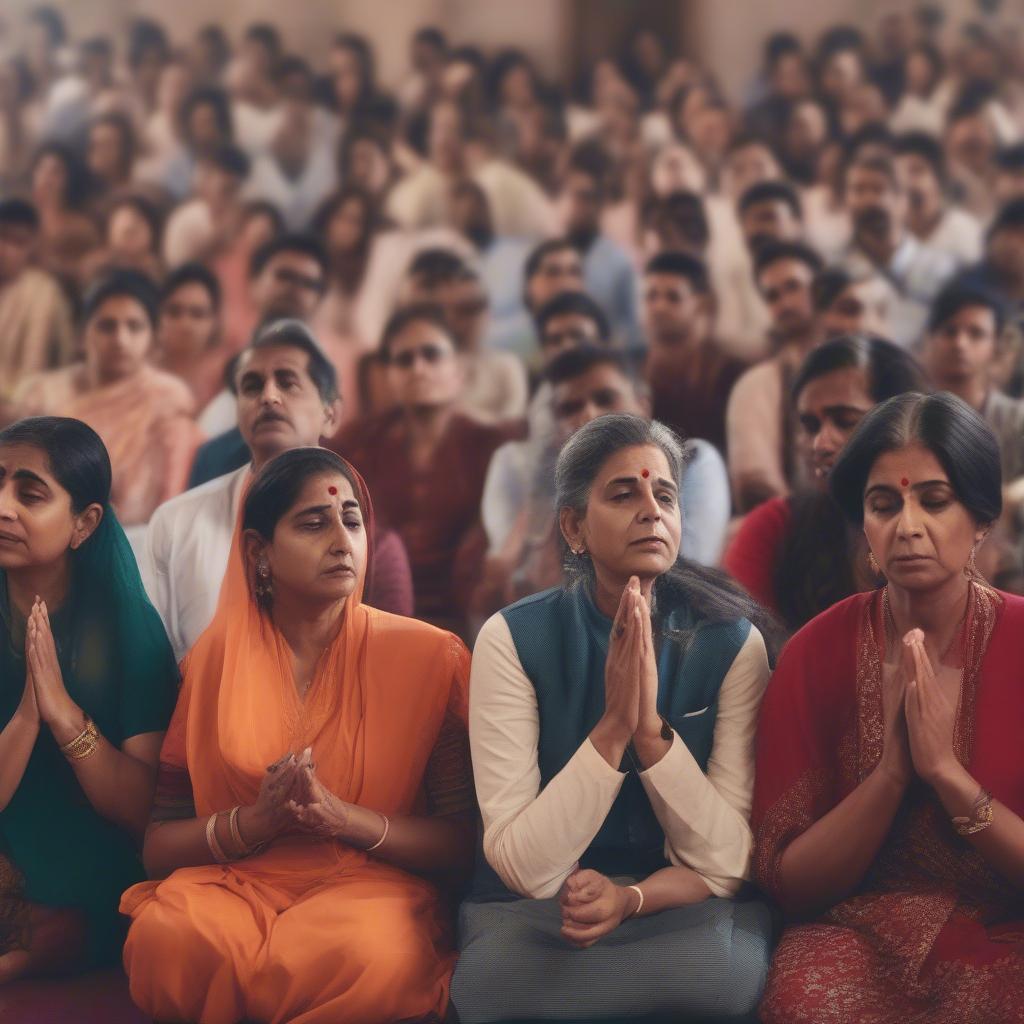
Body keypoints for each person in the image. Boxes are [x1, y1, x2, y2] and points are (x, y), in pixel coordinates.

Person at [121, 447, 475, 1024]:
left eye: (353, 521)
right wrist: (253, 824)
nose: (342, 539)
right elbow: (158, 847)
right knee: (168, 938)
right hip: (235, 884)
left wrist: (342, 819)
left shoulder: (428, 657)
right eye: (314, 523)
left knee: (369, 954)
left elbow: (461, 846)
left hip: (366, 890)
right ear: (259, 553)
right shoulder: (214, 659)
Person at [451, 413, 776, 1023]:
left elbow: (732, 861)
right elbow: (520, 863)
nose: (651, 510)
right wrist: (612, 731)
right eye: (623, 493)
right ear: (573, 526)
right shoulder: (512, 639)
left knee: (721, 984)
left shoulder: (732, 644)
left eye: (665, 495)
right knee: (491, 988)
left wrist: (650, 734)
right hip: (543, 903)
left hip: (683, 903)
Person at [753, 391, 1024, 1022]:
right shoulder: (814, 654)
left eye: (934, 501)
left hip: (1009, 929)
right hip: (857, 936)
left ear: (981, 519)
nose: (908, 526)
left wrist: (948, 779)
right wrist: (892, 774)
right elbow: (788, 885)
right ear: (865, 528)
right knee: (803, 1005)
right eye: (884, 505)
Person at [0, 416, 177, 979]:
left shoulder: (129, 629)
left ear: (84, 522)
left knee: (118, 902)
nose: (3, 505)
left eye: (30, 494)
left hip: (90, 844)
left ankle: (49, 939)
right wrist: (29, 715)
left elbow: (140, 813)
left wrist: (62, 714)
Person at [142, 318, 413, 663]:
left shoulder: (373, 546)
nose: (268, 397)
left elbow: (391, 670)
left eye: (288, 383)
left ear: (331, 414)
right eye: (252, 387)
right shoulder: (177, 521)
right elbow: (152, 664)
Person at [724, 334, 929, 633]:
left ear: (905, 423)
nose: (820, 443)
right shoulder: (775, 527)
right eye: (810, 426)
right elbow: (741, 652)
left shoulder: (955, 525)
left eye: (845, 421)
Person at [339, 305, 514, 638]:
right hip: (373, 618)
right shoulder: (357, 445)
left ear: (459, 370)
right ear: (389, 375)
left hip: (474, 623)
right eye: (404, 360)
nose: (418, 368)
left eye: (432, 355)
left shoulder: (493, 446)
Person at [12, 270, 202, 530]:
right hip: (33, 526)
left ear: (153, 339)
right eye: (107, 326)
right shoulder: (41, 393)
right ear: (81, 336)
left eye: (134, 327)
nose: (120, 340)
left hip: (132, 535)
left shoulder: (166, 399)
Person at [481, 290, 611, 556]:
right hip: (549, 500)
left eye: (577, 336)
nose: (567, 346)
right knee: (506, 459)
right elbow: (542, 471)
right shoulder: (544, 399)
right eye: (555, 340)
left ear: (602, 343)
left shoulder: (620, 385)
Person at [726, 240, 823, 512]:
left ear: (821, 289)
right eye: (773, 296)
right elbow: (755, 481)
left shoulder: (863, 368)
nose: (785, 303)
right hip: (793, 530)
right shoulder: (757, 384)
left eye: (793, 287)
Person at [839, 153, 957, 346]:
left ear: (903, 200)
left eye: (878, 189)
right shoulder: (838, 270)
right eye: (858, 191)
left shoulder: (942, 269)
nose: (868, 200)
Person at [643, 250, 747, 454]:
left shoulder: (731, 373)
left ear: (702, 303)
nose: (659, 307)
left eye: (673, 297)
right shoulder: (632, 374)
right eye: (651, 296)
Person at [0, 199, 73, 415]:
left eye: (18, 242)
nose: (5, 250)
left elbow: (54, 365)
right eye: (2, 237)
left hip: (23, 409)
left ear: (31, 247)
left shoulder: (44, 291)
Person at [561, 153, 641, 349]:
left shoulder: (619, 262)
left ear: (599, 206)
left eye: (586, 199)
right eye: (573, 197)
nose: (579, 207)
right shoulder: (549, 257)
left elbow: (632, 327)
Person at [893, 131, 983, 266]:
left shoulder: (965, 233)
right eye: (898, 174)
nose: (907, 182)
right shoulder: (887, 235)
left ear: (939, 180)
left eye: (916, 171)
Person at [153, 261, 228, 412]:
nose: (186, 324)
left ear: (214, 321)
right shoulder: (138, 371)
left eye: (197, 314)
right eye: (174, 312)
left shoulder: (226, 378)